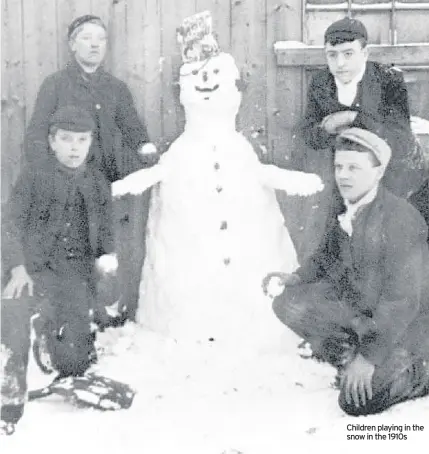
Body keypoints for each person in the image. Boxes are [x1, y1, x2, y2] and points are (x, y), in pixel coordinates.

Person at [263, 128, 429, 416]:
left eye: (354, 167)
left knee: (355, 402)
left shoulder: (399, 218)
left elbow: (402, 302)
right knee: (287, 302)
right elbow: (325, 255)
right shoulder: (349, 208)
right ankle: (349, 356)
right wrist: (297, 278)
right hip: (367, 316)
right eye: (339, 166)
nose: (344, 175)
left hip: (409, 328)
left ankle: (417, 372)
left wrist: (368, 358)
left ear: (378, 172)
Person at [23, 15, 159, 322]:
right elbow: (36, 133)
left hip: (102, 183)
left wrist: (144, 146)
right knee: (68, 244)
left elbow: (131, 124)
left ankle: (100, 312)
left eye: (100, 39)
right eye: (86, 38)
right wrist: (45, 173)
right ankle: (68, 315)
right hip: (65, 181)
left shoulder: (115, 88)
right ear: (72, 45)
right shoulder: (55, 85)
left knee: (102, 247)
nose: (94, 45)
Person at [1, 106, 117, 435]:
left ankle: (52, 341)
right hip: (33, 269)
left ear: (90, 142)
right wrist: (17, 268)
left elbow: (106, 233)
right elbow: (9, 225)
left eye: (82, 140)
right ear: (52, 142)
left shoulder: (97, 182)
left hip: (73, 273)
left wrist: (106, 266)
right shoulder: (34, 176)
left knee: (76, 362)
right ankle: (10, 396)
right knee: (13, 313)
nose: (74, 147)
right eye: (66, 139)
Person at [299, 17, 424, 199]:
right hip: (349, 182)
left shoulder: (389, 80)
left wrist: (352, 118)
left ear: (364, 53)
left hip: (397, 182)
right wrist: (325, 128)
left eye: (348, 53)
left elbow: (401, 141)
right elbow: (309, 135)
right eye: (332, 54)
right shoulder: (321, 82)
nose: (340, 63)